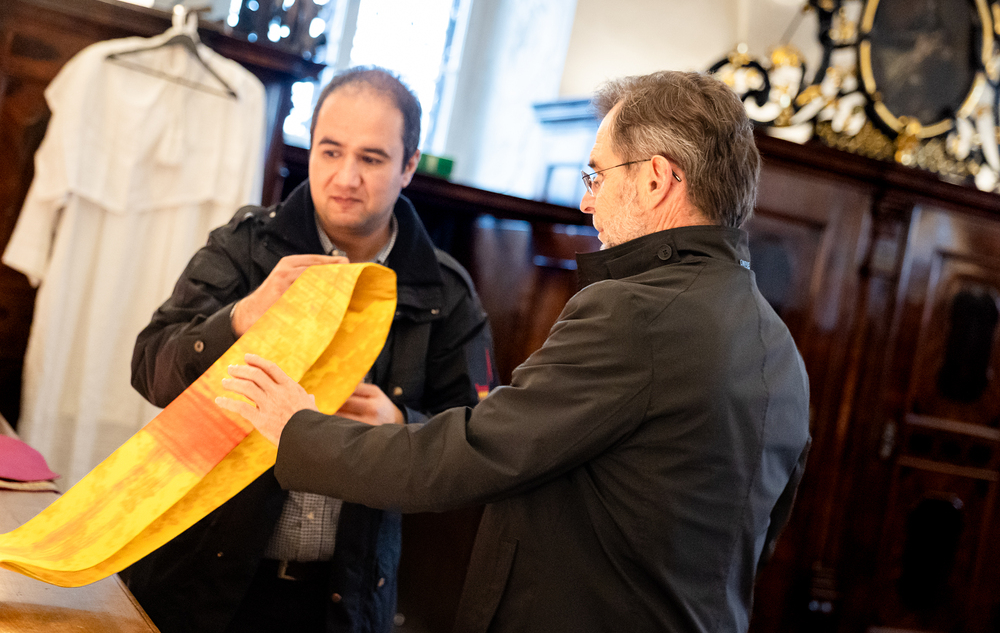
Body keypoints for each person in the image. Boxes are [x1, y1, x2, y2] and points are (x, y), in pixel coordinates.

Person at [220, 70, 812, 633]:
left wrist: (297, 431)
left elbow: (473, 452)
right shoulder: (779, 347)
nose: (587, 203)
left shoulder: (635, 312)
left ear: (656, 179)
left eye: (596, 177)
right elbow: (754, 546)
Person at [122, 67, 498, 633]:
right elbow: (149, 367)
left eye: (372, 158)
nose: (346, 177)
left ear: (408, 167)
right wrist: (241, 318)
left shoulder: (446, 290)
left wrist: (404, 425)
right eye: (330, 151)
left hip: (344, 598)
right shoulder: (245, 247)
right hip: (200, 579)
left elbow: (480, 440)